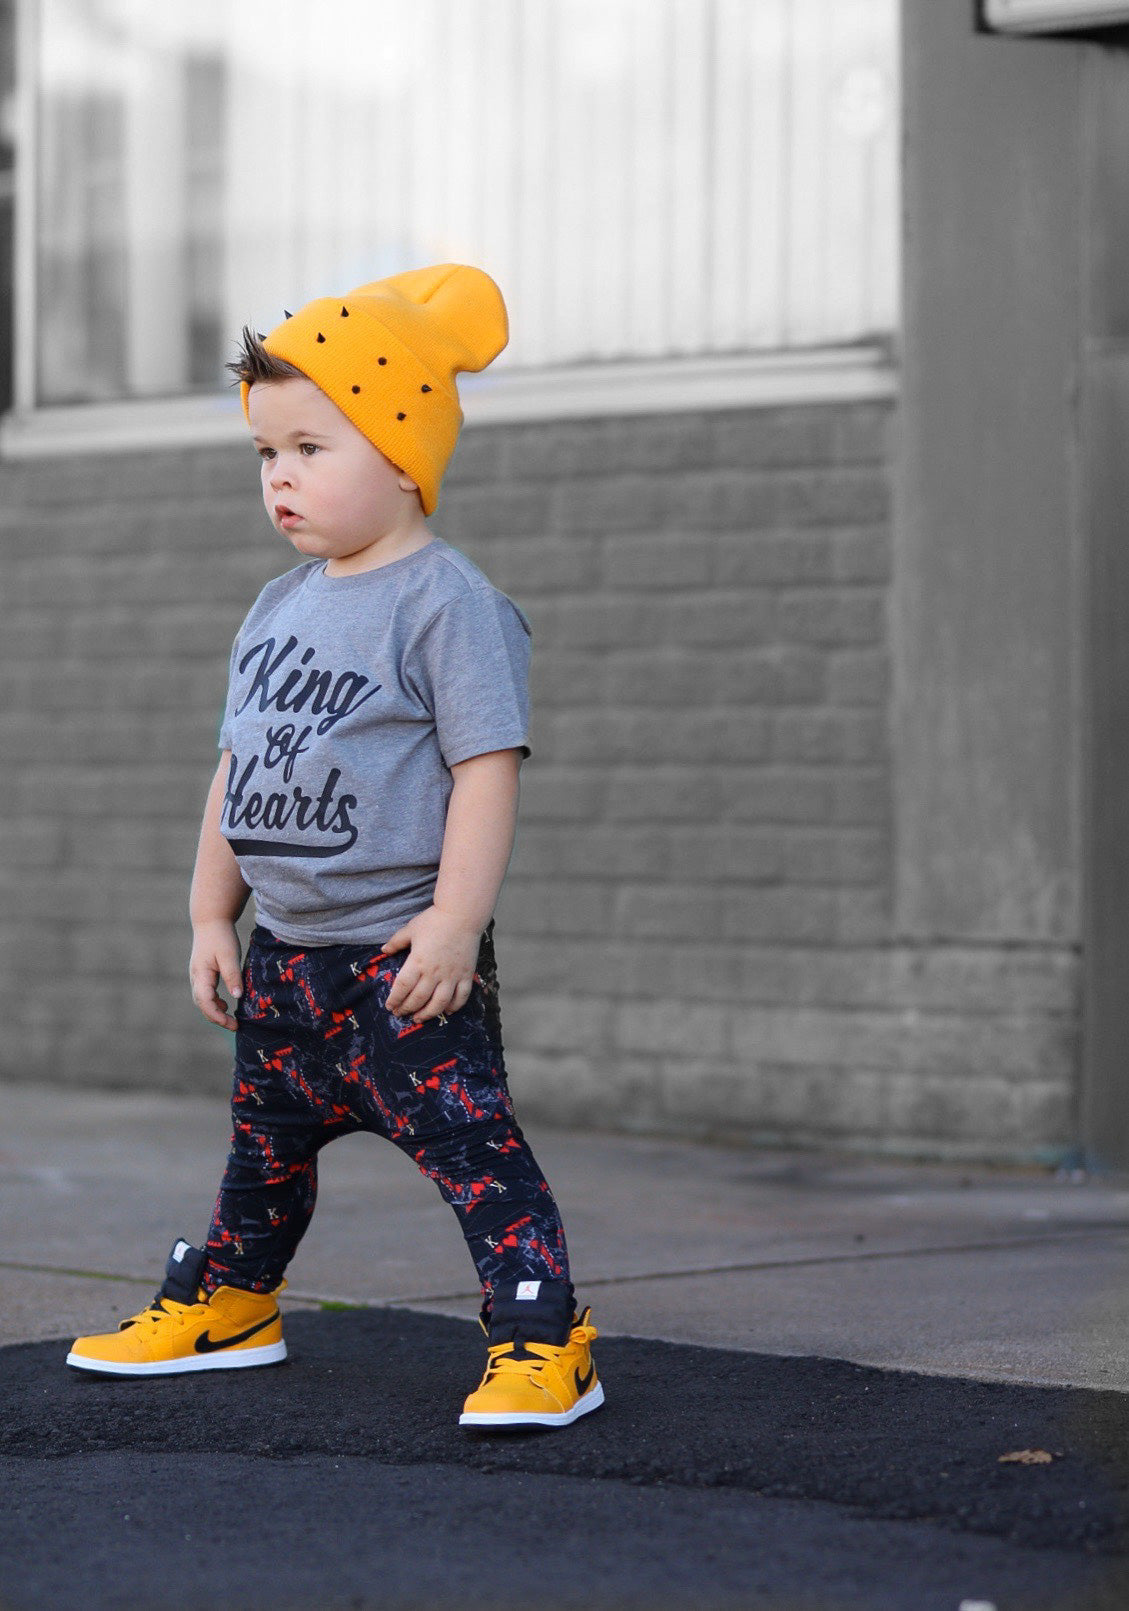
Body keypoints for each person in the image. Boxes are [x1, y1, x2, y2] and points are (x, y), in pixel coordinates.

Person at [67, 264, 603, 1431]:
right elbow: (236, 768)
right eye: (266, 453)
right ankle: (234, 1304)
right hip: (286, 959)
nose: (280, 476)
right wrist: (210, 913)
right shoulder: (275, 608)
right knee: (261, 1154)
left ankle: (540, 1335)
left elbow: (487, 769)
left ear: (403, 454)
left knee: (473, 1151)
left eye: (311, 447)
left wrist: (454, 923)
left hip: (400, 963)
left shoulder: (448, 604)